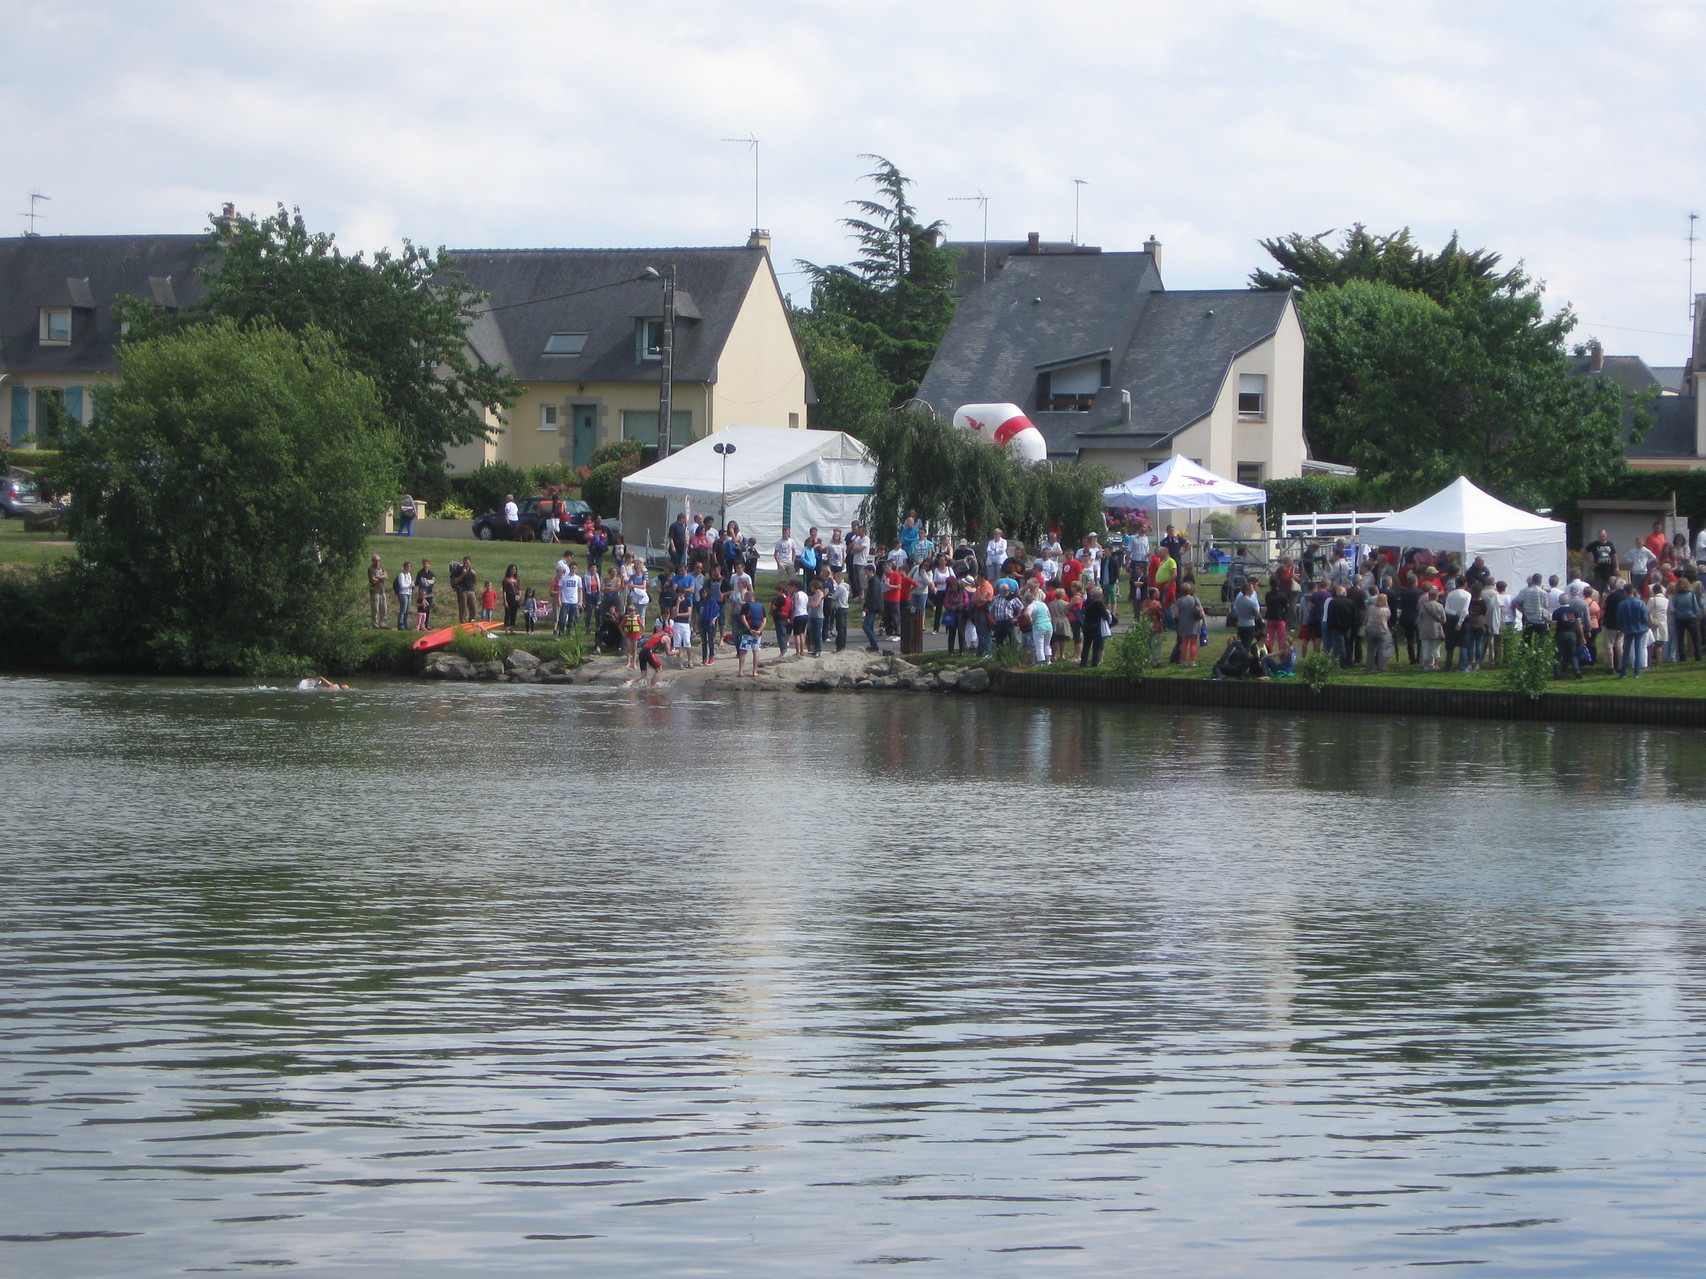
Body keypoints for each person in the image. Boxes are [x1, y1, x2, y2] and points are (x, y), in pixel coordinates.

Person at [1616, 587, 1650, 678]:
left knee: (1626, 650)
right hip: (1639, 628)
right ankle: (1637, 672)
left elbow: (1619, 618)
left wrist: (1621, 626)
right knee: (1638, 650)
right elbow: (1645, 617)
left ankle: (1623, 672)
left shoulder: (1622, 604)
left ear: (1625, 592)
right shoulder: (1640, 603)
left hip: (1627, 629)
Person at [1080, 586, 1113, 667]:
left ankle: (1083, 662)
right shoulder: (1099, 603)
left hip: (1087, 625)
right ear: (1099, 595)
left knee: (1086, 645)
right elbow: (1105, 616)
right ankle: (1094, 663)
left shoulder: (1087, 601)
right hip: (1096, 626)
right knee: (1096, 646)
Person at [1173, 583, 1203, 665]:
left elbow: (1176, 614)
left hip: (1183, 624)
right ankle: (1192, 661)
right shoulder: (1195, 599)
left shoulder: (1179, 601)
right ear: (1190, 590)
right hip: (1194, 624)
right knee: (1193, 643)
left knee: (1184, 643)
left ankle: (1183, 660)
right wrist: (1204, 622)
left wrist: (1181, 618)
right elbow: (1201, 611)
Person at [1417, 585, 1446, 670]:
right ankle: (1436, 665)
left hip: (1425, 629)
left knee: (1426, 648)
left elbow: (1420, 618)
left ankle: (1426, 665)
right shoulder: (1440, 606)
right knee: (1436, 648)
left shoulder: (1423, 606)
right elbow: (1444, 619)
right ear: (1436, 596)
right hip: (1436, 629)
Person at [1364, 592, 1394, 673]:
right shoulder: (1386, 611)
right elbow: (1387, 621)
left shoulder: (1371, 608)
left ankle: (1370, 667)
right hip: (1382, 631)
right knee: (1381, 650)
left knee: (1370, 650)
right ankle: (1381, 667)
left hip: (1371, 630)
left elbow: (1366, 618)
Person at [862, 566, 885, 652]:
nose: (865, 573)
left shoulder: (874, 581)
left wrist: (867, 607)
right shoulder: (872, 580)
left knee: (866, 626)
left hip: (873, 607)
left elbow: (874, 596)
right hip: (872, 606)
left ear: (872, 571)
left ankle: (874, 644)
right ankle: (872, 644)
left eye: (866, 571)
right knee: (870, 626)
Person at [830, 569, 850, 653]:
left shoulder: (841, 587)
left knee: (840, 628)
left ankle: (839, 646)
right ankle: (843, 645)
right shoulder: (847, 586)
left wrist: (830, 596)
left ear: (840, 577)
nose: (835, 580)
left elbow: (834, 596)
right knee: (843, 628)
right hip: (845, 607)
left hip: (840, 608)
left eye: (836, 578)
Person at [368, 555, 388, 628]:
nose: (377, 562)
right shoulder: (371, 569)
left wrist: (378, 577)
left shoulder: (381, 568)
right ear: (373, 561)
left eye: (379, 560)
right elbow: (373, 580)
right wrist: (381, 577)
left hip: (382, 591)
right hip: (375, 591)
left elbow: (386, 576)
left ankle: (383, 623)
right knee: (375, 608)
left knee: (384, 609)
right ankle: (374, 624)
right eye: (376, 560)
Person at [393, 561, 414, 630]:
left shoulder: (409, 575)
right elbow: (402, 586)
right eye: (407, 566)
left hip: (409, 593)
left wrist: (412, 586)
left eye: (410, 567)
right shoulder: (401, 575)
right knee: (403, 609)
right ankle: (400, 624)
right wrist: (410, 586)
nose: (409, 568)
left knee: (407, 610)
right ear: (404, 567)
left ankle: (405, 624)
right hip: (403, 593)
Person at [416, 559, 436, 629]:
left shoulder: (431, 573)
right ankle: (420, 625)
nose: (426, 565)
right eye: (424, 564)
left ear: (429, 565)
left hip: (430, 594)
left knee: (428, 610)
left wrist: (427, 581)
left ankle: (426, 625)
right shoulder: (420, 573)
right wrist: (429, 581)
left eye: (427, 564)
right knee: (421, 610)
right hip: (422, 594)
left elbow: (433, 581)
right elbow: (421, 582)